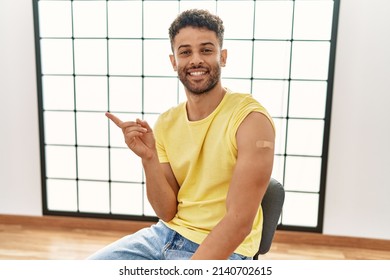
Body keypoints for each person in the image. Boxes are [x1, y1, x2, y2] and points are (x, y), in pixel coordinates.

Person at [88, 9, 275, 260]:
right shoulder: (166, 122)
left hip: (225, 248)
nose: (195, 60)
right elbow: (166, 212)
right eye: (185, 52)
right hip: (165, 236)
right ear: (174, 61)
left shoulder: (251, 119)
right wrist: (149, 158)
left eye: (206, 50)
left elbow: (239, 223)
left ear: (223, 56)